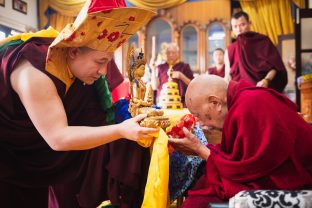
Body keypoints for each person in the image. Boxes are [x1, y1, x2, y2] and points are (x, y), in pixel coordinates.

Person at [0, 0, 157, 207]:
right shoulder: (35, 73)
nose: (103, 72)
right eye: (100, 62)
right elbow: (58, 138)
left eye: (107, 63)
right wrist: (121, 130)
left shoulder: (75, 67)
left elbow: (96, 116)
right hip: (6, 161)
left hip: (29, 164)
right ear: (73, 51)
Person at [169, 74, 312, 207]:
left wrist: (200, 149)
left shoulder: (249, 106)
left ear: (215, 102)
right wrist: (200, 149)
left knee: (197, 202)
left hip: (295, 179)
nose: (200, 122)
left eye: (199, 115)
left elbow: (247, 172)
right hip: (272, 172)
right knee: (202, 184)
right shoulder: (241, 100)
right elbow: (239, 155)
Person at [224, 11, 288, 93]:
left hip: (262, 88)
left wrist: (266, 80)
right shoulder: (230, 49)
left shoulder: (263, 41)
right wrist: (227, 79)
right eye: (235, 26)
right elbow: (227, 75)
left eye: (242, 25)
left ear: (249, 23)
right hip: (240, 93)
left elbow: (275, 67)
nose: (238, 29)